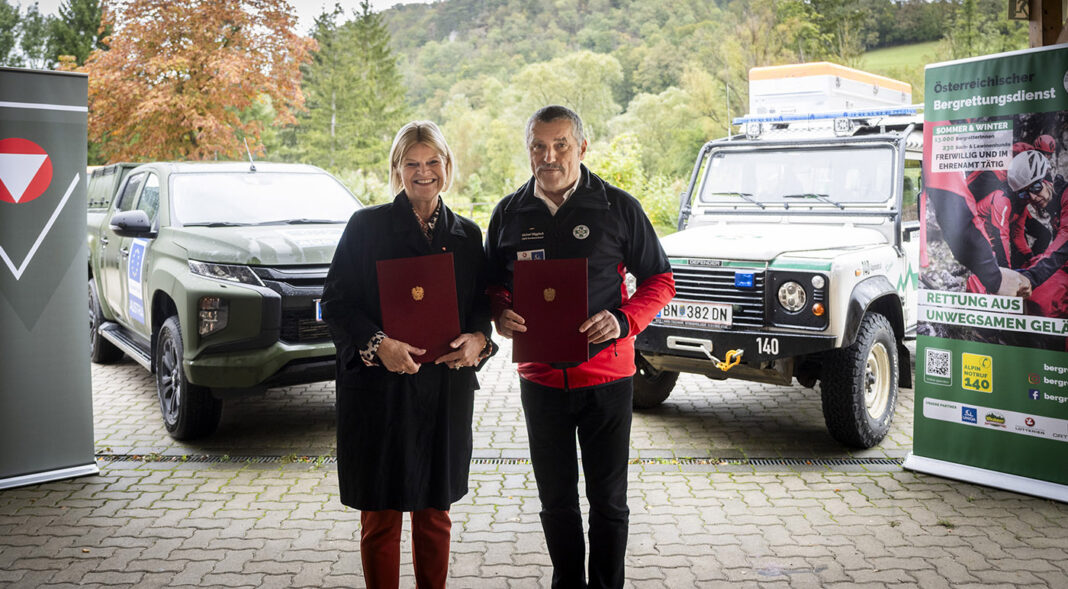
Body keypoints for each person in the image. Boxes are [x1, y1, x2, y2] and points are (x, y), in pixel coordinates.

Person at [484, 105, 675, 588]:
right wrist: (500, 311)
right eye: (538, 146)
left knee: (609, 501)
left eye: (560, 145)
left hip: (608, 380)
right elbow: (492, 285)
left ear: (581, 147)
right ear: (528, 149)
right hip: (540, 381)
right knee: (556, 501)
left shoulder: (617, 206)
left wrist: (623, 319)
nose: (549, 156)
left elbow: (661, 280)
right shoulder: (508, 213)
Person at [321, 120, 495, 589]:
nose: (424, 172)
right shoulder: (366, 227)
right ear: (397, 169)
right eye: (412, 164)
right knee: (380, 517)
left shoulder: (467, 235)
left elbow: (482, 306)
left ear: (447, 166)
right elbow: (335, 303)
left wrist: (479, 340)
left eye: (433, 162)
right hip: (380, 391)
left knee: (435, 513)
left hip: (443, 390)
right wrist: (378, 344)